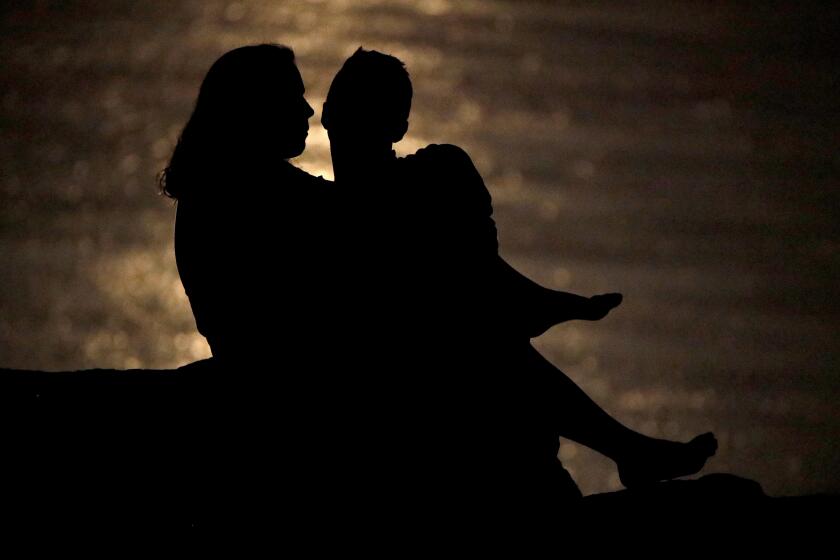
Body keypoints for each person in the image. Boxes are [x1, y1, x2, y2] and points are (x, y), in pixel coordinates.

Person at [321, 48, 718, 516]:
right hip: (414, 388)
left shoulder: (352, 200)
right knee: (482, 335)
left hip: (443, 364)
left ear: (327, 113)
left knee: (481, 329)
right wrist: (549, 303)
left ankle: (626, 446)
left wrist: (548, 301)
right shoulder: (362, 199)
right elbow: (472, 279)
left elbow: (471, 275)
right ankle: (627, 448)